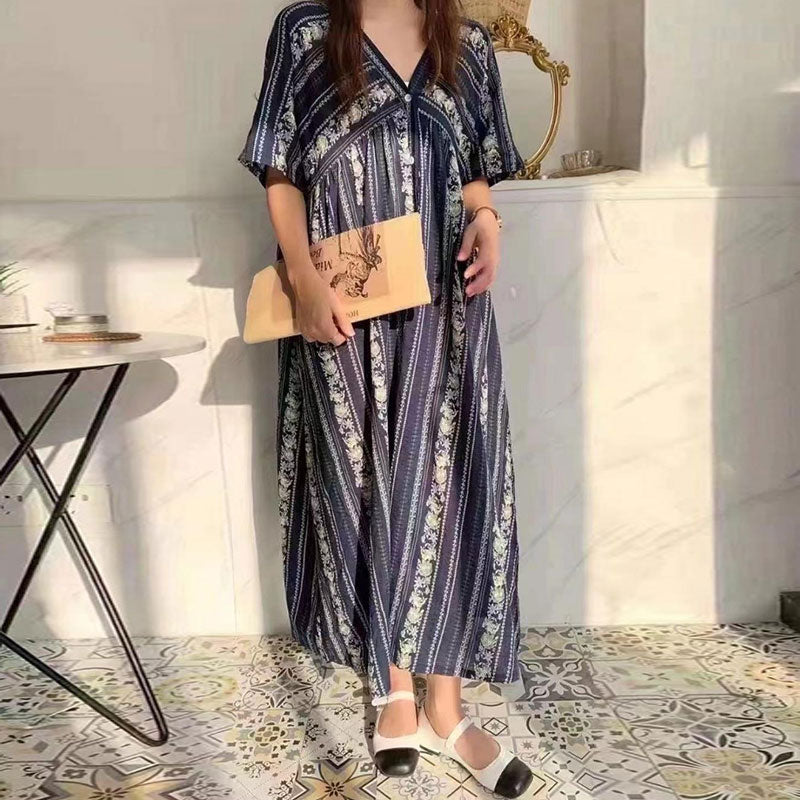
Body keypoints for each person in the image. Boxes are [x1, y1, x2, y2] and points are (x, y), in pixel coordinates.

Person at [239, 0, 530, 795]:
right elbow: (281, 174)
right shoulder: (306, 31)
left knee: (450, 482)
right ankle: (394, 687)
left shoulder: (467, 44)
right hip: (344, 306)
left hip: (446, 303)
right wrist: (304, 283)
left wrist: (488, 219)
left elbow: (474, 169)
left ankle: (448, 706)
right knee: (366, 480)